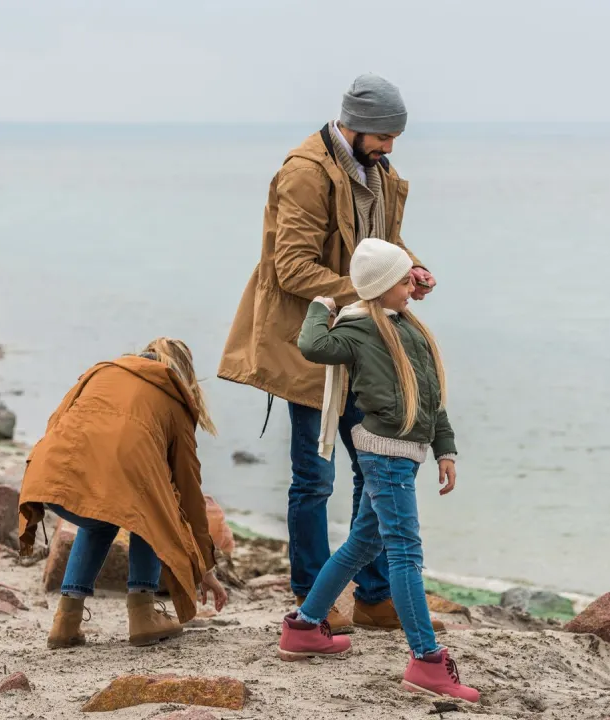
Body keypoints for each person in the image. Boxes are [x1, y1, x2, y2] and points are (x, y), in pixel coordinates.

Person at [218, 73, 442, 634]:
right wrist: (370, 292)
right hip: (313, 345)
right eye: (385, 135)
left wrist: (408, 267)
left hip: (367, 343)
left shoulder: (380, 172)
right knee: (314, 478)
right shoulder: (305, 173)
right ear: (355, 123)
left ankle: (372, 596)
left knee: (375, 466)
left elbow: (380, 248)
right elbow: (291, 268)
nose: (391, 147)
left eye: (396, 136)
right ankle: (312, 600)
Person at [276, 239, 478, 702]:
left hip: (407, 453)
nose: (414, 285)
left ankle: (305, 627)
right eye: (406, 279)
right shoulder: (359, 330)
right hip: (383, 454)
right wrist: (321, 305)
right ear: (385, 285)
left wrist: (446, 449)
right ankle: (427, 660)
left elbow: (430, 398)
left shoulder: (410, 329)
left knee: (363, 543)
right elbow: (313, 344)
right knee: (406, 553)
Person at [17, 338, 228, 650]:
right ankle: (143, 613)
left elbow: (56, 424)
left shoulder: (100, 373)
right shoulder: (174, 398)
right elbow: (189, 492)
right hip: (99, 486)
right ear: (184, 375)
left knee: (100, 519)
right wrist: (205, 567)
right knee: (154, 507)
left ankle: (66, 620)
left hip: (51, 477)